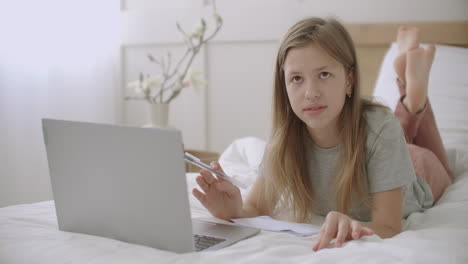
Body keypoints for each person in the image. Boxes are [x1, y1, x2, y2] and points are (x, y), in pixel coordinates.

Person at [192, 17, 453, 251]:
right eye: (297, 79)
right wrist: (232, 210)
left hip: (421, 168)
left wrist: (352, 224)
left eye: (324, 74)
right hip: (380, 142)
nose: (311, 92)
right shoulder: (284, 137)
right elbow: (257, 208)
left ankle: (414, 99)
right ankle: (410, 86)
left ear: (349, 81)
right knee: (386, 130)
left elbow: (390, 227)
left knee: (429, 156)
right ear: (284, 85)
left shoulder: (380, 128)